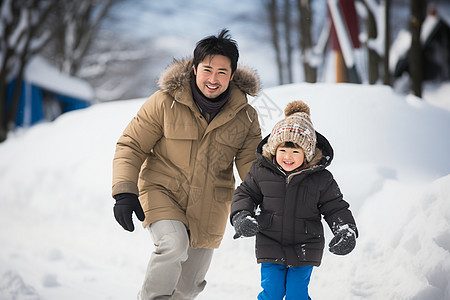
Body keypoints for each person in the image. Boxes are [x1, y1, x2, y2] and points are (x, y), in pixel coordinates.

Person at [111, 29, 262, 300]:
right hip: (162, 191)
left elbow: (252, 167)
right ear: (194, 69)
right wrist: (124, 191)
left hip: (210, 205)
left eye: (222, 72)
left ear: (233, 74)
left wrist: (258, 205)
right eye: (207, 70)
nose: (213, 79)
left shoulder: (247, 117)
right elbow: (131, 145)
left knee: (188, 287)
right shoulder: (165, 102)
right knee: (173, 245)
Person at [230, 100, 358, 300]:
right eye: (282, 151)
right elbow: (245, 194)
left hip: (306, 244)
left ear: (306, 154)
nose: (287, 157)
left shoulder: (321, 179)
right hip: (270, 241)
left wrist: (345, 229)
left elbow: (335, 207)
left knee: (296, 295)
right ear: (273, 149)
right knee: (272, 293)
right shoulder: (261, 171)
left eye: (295, 152)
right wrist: (241, 216)